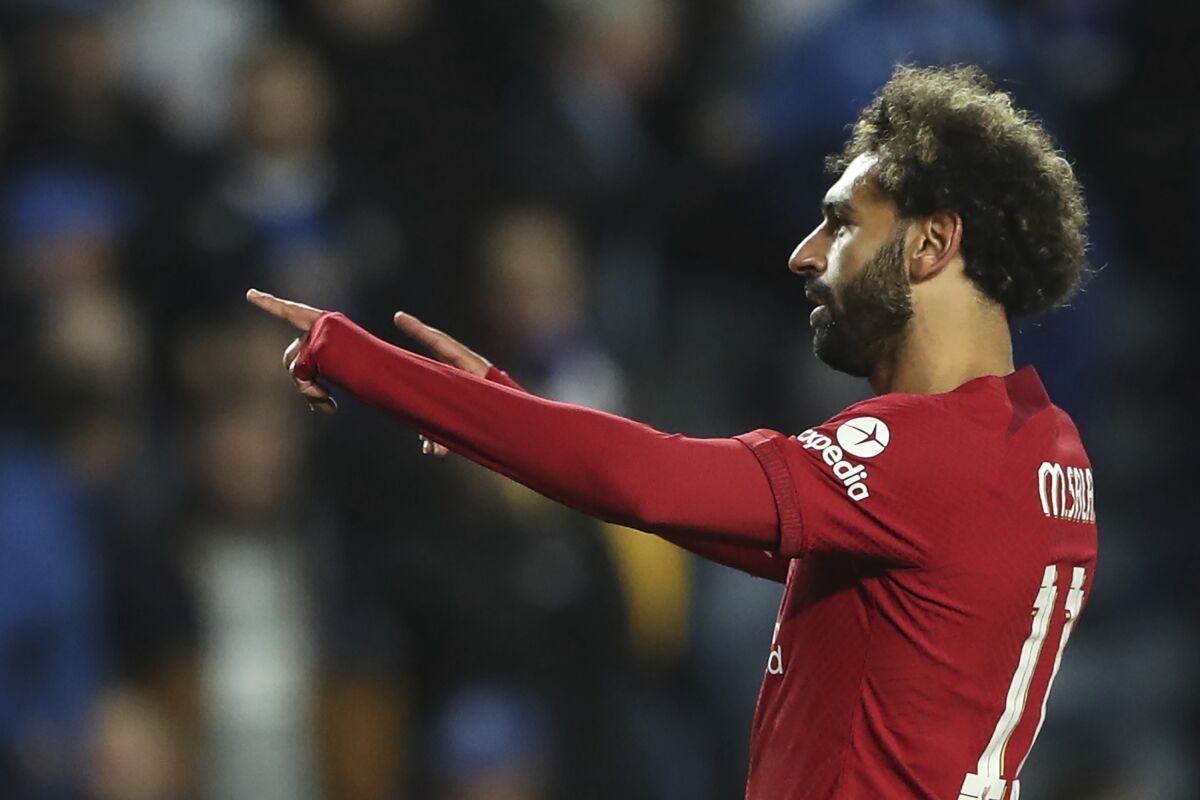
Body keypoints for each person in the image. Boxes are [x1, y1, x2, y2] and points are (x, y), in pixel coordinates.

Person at [248, 65, 1097, 799]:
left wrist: (366, 362)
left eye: (842, 223)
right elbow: (702, 511)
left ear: (932, 243)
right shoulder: (1045, 447)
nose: (805, 253)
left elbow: (650, 481)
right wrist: (502, 414)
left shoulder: (925, 452)